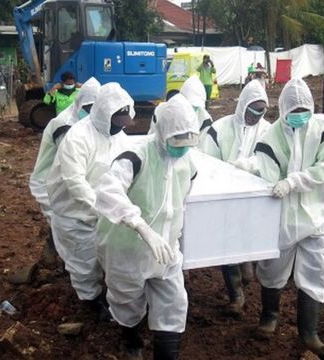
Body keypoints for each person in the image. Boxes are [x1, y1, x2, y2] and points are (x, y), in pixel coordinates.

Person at [95, 93, 199, 359]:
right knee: (127, 303)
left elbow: (180, 204)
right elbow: (107, 192)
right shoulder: (135, 156)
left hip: (166, 249)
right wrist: (141, 226)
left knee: (174, 304)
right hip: (128, 248)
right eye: (177, 139)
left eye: (188, 139)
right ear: (162, 132)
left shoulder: (188, 163)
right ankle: (131, 340)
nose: (183, 146)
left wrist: (176, 238)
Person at [253, 78, 324, 357]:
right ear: (283, 110)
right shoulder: (270, 138)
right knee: (272, 267)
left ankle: (310, 333)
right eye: (295, 111)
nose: (300, 115)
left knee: (316, 269)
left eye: (305, 109)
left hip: (319, 213)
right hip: (284, 215)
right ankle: (270, 316)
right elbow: (267, 174)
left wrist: (293, 182)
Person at [46, 82, 135, 320]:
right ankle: (89, 300)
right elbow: (76, 183)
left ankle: (103, 292)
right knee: (83, 260)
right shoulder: (77, 137)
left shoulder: (120, 137)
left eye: (123, 123)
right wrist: (104, 208)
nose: (120, 127)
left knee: (104, 256)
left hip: (104, 212)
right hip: (75, 213)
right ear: (106, 115)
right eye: (117, 122)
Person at [202, 79, 271, 317]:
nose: (255, 117)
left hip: (255, 199)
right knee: (227, 245)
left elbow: (271, 162)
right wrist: (223, 172)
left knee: (250, 238)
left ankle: (248, 264)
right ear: (242, 106)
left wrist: (249, 165)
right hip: (225, 197)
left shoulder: (268, 131)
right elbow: (206, 161)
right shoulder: (220, 129)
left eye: (260, 113)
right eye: (252, 111)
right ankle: (236, 295)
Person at [30, 77, 101, 264]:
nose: (92, 112)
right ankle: (62, 263)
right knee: (66, 228)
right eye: (89, 107)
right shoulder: (66, 126)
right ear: (79, 103)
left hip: (67, 184)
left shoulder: (86, 120)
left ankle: (60, 258)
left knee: (72, 230)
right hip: (53, 185)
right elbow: (72, 171)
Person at [149, 76, 213, 146]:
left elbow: (204, 146)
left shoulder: (205, 119)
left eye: (195, 107)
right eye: (190, 105)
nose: (192, 109)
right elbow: (152, 139)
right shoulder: (161, 111)